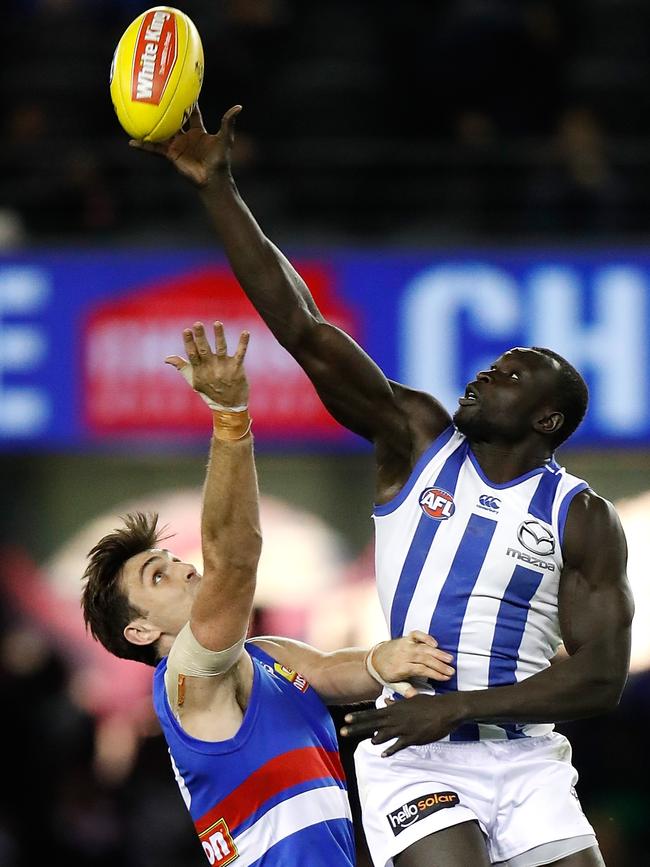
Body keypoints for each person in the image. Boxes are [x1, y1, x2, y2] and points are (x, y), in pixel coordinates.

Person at [129, 108, 634, 867]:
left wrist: (460, 705)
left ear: (548, 416)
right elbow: (303, 329)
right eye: (493, 364)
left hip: (528, 759)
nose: (486, 373)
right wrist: (218, 186)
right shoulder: (418, 439)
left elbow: (598, 680)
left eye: (511, 374)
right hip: (415, 753)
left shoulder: (582, 517)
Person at [81, 321, 455, 867]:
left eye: (171, 560)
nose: (184, 568)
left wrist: (383, 660)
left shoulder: (264, 655)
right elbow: (234, 559)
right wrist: (231, 421)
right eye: (157, 577)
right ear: (139, 630)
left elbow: (327, 673)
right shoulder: (187, 680)